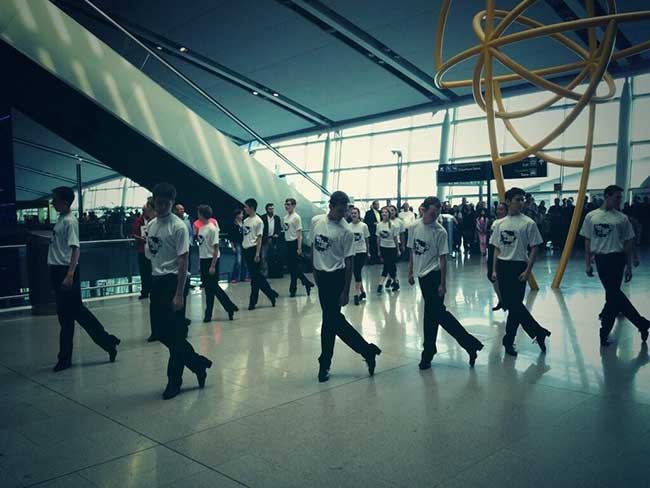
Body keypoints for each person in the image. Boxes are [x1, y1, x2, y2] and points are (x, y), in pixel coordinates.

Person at [145, 183, 212, 400]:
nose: (162, 205)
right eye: (159, 201)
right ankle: (198, 363)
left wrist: (179, 293)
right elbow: (152, 254)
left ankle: (174, 382)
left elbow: (183, 261)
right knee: (161, 333)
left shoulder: (179, 227)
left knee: (174, 335)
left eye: (167, 202)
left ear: (172, 203)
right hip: (156, 281)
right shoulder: (152, 225)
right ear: (154, 200)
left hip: (173, 282)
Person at [311, 191, 382, 382]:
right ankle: (367, 351)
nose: (344, 215)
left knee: (329, 322)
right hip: (322, 278)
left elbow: (349, 263)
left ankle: (324, 364)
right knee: (334, 321)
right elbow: (314, 249)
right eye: (341, 210)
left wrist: (346, 291)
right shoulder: (316, 222)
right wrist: (315, 273)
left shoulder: (346, 231)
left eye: (346, 211)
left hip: (336, 278)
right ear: (331, 206)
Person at [48, 187, 120, 372]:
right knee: (75, 314)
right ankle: (107, 342)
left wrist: (70, 274)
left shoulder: (70, 222)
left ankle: (67, 357)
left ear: (65, 202)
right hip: (60, 270)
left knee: (69, 316)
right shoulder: (62, 219)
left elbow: (75, 248)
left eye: (55, 199)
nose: (52, 202)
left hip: (65, 271)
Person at [408, 197, 484, 369]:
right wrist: (410, 271)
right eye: (432, 212)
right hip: (422, 276)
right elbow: (412, 250)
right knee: (434, 314)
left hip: (434, 276)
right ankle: (463, 345)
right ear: (423, 210)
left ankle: (431, 351)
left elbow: (443, 259)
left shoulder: (440, 231)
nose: (435, 216)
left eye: (438, 213)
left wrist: (443, 283)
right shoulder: (414, 227)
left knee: (435, 314)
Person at [580, 185, 650, 347]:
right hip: (601, 260)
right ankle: (641, 323)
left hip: (616, 259)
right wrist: (587, 262)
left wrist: (630, 265)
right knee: (614, 295)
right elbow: (588, 240)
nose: (620, 200)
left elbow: (628, 242)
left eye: (621, 197)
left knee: (612, 296)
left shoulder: (622, 218)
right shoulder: (592, 217)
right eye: (617, 197)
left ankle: (604, 332)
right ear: (607, 197)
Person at [491, 187, 551, 357]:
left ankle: (509, 340)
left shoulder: (528, 223)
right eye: (517, 199)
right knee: (513, 305)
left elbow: (534, 248)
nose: (520, 202)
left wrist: (528, 270)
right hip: (503, 266)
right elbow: (496, 248)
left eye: (522, 199)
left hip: (518, 267)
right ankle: (536, 332)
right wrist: (494, 270)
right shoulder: (499, 224)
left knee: (514, 305)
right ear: (508, 201)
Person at [197, 205, 238, 322]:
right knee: (209, 288)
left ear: (202, 214)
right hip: (204, 259)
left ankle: (227, 307)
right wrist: (200, 263)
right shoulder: (201, 228)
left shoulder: (212, 228)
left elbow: (215, 248)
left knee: (213, 286)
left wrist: (213, 265)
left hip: (212, 259)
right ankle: (211, 312)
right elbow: (202, 246)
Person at [242, 198, 279, 310]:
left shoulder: (259, 221)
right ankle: (271, 294)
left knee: (255, 277)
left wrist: (258, 253)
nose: (244, 209)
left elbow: (259, 238)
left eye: (246, 207)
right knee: (256, 277)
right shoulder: (245, 220)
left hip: (254, 250)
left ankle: (253, 301)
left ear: (251, 208)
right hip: (246, 249)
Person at [283, 198, 314, 297]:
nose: (286, 206)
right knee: (292, 268)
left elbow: (299, 234)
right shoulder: (285, 217)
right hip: (287, 243)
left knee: (294, 268)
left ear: (293, 205)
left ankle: (293, 289)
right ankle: (306, 282)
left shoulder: (296, 217)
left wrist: (299, 247)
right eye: (286, 204)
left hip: (294, 243)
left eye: (288, 204)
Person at [173, 204, 192, 327]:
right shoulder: (174, 223)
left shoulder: (186, 222)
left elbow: (190, 233)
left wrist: (188, 244)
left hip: (185, 249)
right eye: (180, 209)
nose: (182, 211)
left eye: (183, 209)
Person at [131, 199, 154, 300]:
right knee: (144, 272)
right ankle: (145, 291)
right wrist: (142, 239)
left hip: (152, 250)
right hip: (142, 250)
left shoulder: (153, 220)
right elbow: (134, 234)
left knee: (152, 271)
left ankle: (153, 291)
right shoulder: (138, 221)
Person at [487, 202, 508, 311]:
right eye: (498, 209)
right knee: (491, 276)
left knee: (500, 277)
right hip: (492, 248)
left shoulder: (506, 223)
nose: (498, 211)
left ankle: (505, 300)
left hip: (501, 250)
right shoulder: (495, 222)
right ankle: (501, 300)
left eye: (501, 209)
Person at [348, 207, 371, 305]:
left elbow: (366, 239)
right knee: (356, 272)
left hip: (362, 251)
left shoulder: (363, 226)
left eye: (355, 213)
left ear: (358, 214)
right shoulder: (348, 226)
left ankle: (356, 294)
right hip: (352, 252)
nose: (353, 215)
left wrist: (368, 252)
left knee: (357, 271)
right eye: (352, 213)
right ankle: (362, 292)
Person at [376, 207, 401, 293]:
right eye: (382, 212)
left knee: (388, 265)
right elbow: (378, 238)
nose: (384, 214)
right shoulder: (379, 225)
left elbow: (395, 238)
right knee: (388, 266)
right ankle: (395, 281)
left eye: (386, 212)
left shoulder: (393, 225)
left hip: (392, 248)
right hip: (383, 248)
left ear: (389, 214)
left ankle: (380, 284)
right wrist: (378, 250)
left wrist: (398, 250)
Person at [261, 203, 281, 278]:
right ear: (266, 210)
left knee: (273, 256)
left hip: (274, 239)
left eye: (272, 208)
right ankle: (264, 273)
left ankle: (273, 273)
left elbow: (279, 228)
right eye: (270, 209)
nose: (271, 210)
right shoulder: (263, 218)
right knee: (263, 256)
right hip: (265, 239)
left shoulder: (277, 218)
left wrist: (277, 234)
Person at [228, 209, 248, 283]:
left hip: (244, 243)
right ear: (237, 215)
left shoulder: (244, 223)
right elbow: (231, 237)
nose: (242, 215)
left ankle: (244, 276)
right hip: (237, 243)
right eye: (241, 214)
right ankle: (234, 277)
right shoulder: (233, 224)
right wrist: (233, 246)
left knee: (244, 261)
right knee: (238, 261)